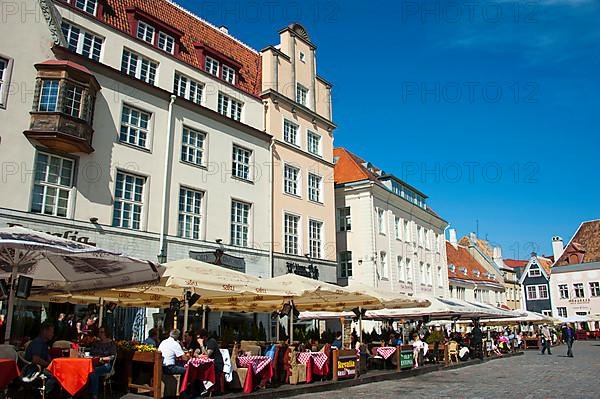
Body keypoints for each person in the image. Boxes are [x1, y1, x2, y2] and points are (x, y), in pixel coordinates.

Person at [24, 321, 57, 394]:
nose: (52, 334)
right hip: (33, 371)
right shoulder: (37, 342)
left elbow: (46, 357)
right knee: (56, 376)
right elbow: (35, 360)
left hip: (39, 369)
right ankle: (44, 394)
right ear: (45, 331)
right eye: (51, 332)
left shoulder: (44, 344)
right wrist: (49, 365)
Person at [88, 326, 117, 399]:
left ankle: (94, 394)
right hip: (94, 363)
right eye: (99, 332)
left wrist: (102, 358)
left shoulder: (111, 344)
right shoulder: (96, 343)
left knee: (93, 372)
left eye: (102, 332)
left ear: (106, 333)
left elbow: (112, 356)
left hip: (106, 364)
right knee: (86, 370)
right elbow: (91, 353)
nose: (100, 334)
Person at [197, 329, 225, 394]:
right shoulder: (204, 342)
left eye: (199, 338)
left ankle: (207, 388)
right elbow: (197, 351)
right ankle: (200, 388)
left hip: (216, 364)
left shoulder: (211, 341)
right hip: (207, 363)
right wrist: (197, 354)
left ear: (204, 337)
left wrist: (201, 344)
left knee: (202, 369)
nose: (198, 340)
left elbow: (207, 355)